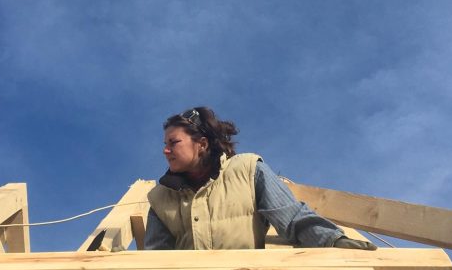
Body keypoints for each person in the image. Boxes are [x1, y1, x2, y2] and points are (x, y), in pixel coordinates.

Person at [144, 106, 377, 251]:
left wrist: (332, 240)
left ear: (202, 144)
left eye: (173, 143)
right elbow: (155, 258)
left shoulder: (248, 170)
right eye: (164, 144)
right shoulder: (159, 197)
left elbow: (293, 218)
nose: (166, 150)